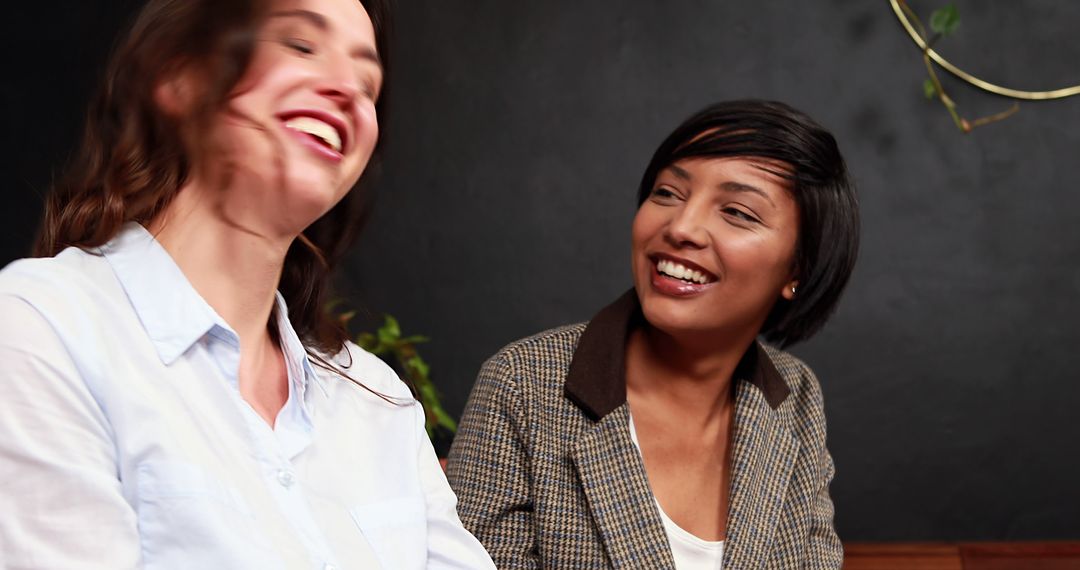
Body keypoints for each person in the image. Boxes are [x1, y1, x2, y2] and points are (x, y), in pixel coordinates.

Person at [0, 0, 495, 568]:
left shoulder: (377, 398)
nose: (346, 89)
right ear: (180, 75)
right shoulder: (43, 327)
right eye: (299, 44)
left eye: (368, 81)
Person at [447, 100, 858, 569]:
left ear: (798, 270)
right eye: (667, 193)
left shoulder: (794, 397)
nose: (681, 227)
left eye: (738, 212)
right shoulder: (523, 384)